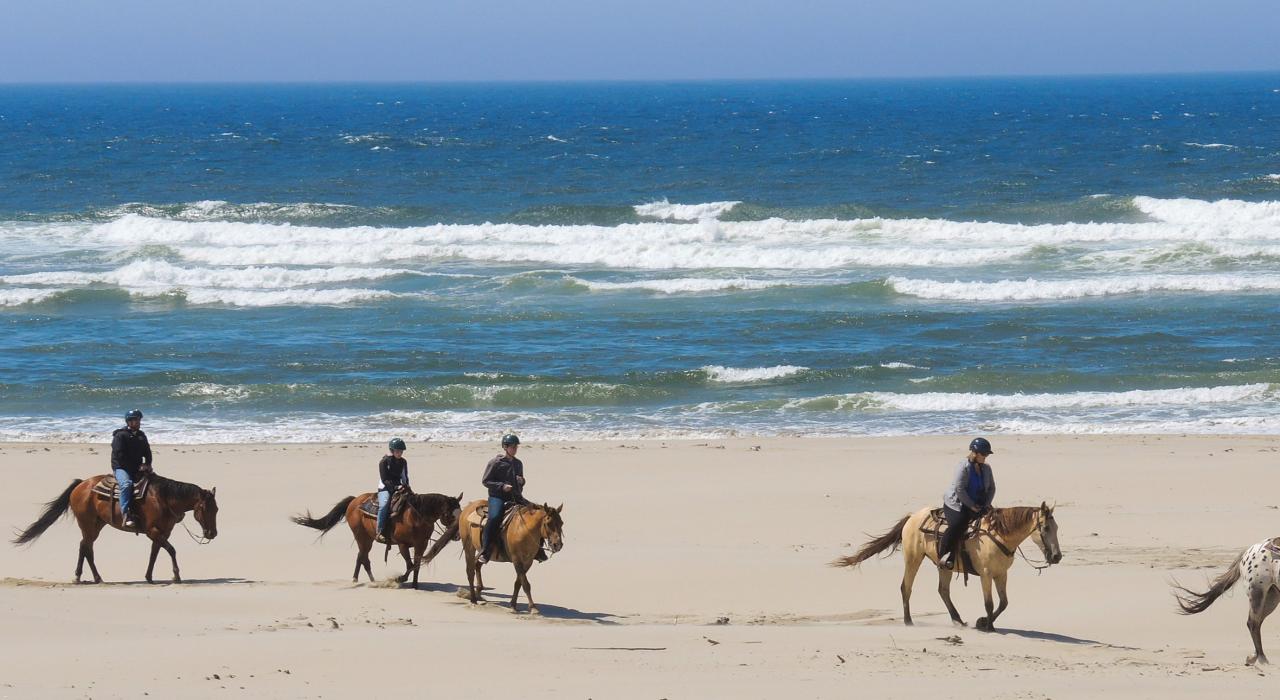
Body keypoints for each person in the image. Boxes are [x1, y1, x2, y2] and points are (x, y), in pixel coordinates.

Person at [937, 437, 996, 570]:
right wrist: (972, 506)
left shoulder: (986, 468)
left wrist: (986, 504)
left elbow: (992, 488)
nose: (985, 457)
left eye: (987, 454)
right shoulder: (963, 467)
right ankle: (944, 556)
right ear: (974, 453)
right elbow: (960, 490)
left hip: (979, 503)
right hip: (958, 503)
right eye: (984, 454)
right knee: (958, 525)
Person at [477, 433, 529, 564]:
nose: (515, 449)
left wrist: (522, 481)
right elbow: (486, 481)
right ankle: (485, 551)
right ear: (505, 447)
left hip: (515, 496)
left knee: (534, 511)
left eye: (516, 447)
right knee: (494, 517)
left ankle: (538, 550)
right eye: (512, 447)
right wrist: (502, 486)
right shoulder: (495, 463)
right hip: (497, 496)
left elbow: (521, 481)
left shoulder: (518, 463)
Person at [110, 409, 153, 529]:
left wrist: (147, 464)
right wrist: (136, 467)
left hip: (137, 468)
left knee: (155, 483)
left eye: (138, 420)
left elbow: (147, 452)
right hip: (121, 467)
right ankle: (125, 514)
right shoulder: (120, 435)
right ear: (128, 422)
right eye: (134, 420)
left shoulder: (141, 435)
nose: (137, 422)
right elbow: (119, 455)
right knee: (126, 485)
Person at [376, 438, 410, 543]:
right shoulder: (384, 462)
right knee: (384, 505)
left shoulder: (403, 462)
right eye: (397, 451)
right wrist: (395, 488)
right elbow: (384, 479)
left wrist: (407, 486)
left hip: (399, 486)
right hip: (385, 487)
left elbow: (404, 476)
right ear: (392, 450)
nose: (400, 453)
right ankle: (379, 531)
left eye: (401, 451)